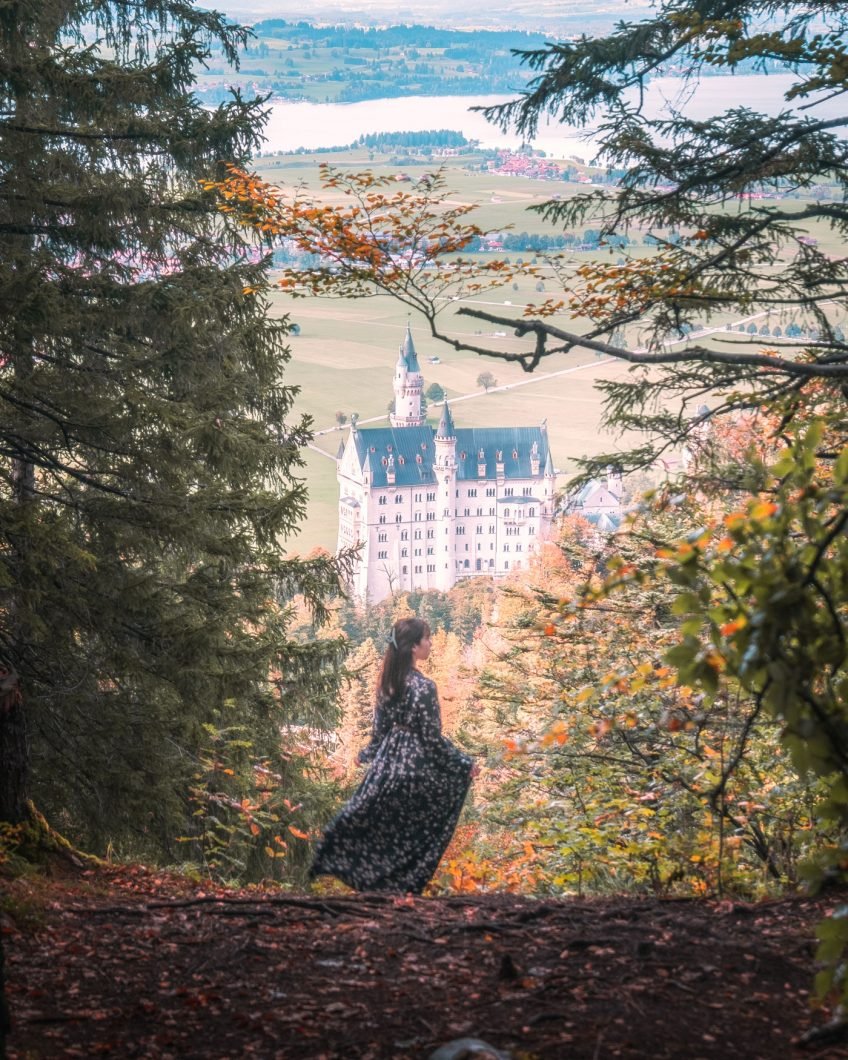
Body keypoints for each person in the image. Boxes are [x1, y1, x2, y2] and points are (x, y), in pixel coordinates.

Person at [309, 617, 478, 895]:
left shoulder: (388, 683)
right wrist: (464, 764)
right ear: (413, 646)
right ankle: (402, 889)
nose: (431, 643)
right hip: (416, 769)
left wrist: (365, 755)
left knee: (382, 829)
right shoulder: (424, 687)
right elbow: (432, 740)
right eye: (427, 638)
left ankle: (372, 884)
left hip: (387, 769)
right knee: (413, 835)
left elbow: (379, 732)